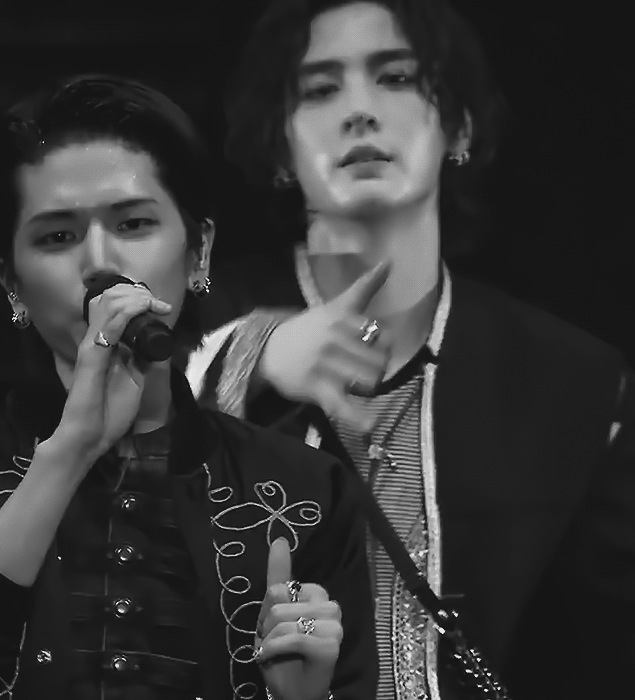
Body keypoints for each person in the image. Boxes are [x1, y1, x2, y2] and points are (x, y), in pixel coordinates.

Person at [186, 1, 635, 699]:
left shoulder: (566, 382)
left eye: (395, 78)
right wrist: (256, 359)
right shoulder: (189, 327)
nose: (360, 111)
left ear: (459, 126)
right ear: (278, 147)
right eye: (320, 89)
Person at [0, 74, 378, 700]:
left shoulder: (305, 488)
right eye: (57, 236)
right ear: (12, 286)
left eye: (133, 223)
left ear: (199, 253)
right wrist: (69, 451)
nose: (100, 262)